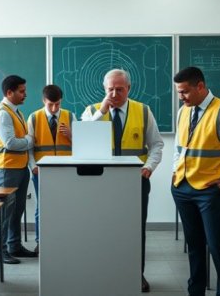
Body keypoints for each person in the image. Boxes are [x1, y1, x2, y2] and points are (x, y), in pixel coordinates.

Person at [81, 69, 164, 293]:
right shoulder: (91, 111)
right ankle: (104, 272)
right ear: (104, 89)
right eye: (110, 89)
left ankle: (136, 274)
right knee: (100, 228)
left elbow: (156, 144)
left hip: (135, 181)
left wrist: (148, 168)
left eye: (120, 89)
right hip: (100, 182)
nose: (115, 93)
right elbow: (81, 140)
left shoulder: (143, 111)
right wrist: (101, 111)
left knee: (135, 229)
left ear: (129, 88)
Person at [172, 66, 220, 296]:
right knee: (194, 246)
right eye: (178, 92)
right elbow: (179, 147)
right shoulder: (183, 111)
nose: (181, 97)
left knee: (218, 247)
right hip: (182, 188)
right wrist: (175, 172)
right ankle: (195, 291)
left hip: (210, 192)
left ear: (200, 86)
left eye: (184, 92)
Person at [0, 75, 36, 264]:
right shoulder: (3, 113)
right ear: (9, 92)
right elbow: (10, 143)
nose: (25, 94)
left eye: (24, 90)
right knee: (4, 212)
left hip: (19, 168)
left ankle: (13, 245)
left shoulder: (17, 112)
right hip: (6, 169)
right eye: (21, 91)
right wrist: (30, 140)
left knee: (17, 210)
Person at [27, 84, 75, 254]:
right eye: (50, 104)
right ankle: (41, 241)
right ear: (43, 101)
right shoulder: (34, 118)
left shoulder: (70, 116)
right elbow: (29, 147)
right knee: (43, 207)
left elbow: (83, 145)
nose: (54, 108)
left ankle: (66, 239)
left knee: (67, 206)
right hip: (42, 171)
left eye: (58, 104)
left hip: (67, 170)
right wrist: (33, 167)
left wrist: (72, 135)